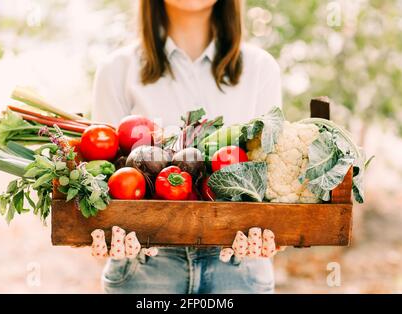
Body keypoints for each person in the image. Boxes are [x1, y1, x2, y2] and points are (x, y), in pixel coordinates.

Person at [92, 0, 283, 294]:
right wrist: (103, 229)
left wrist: (273, 230)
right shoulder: (116, 69)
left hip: (238, 264)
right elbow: (103, 177)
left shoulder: (261, 69)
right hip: (142, 264)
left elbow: (269, 177)